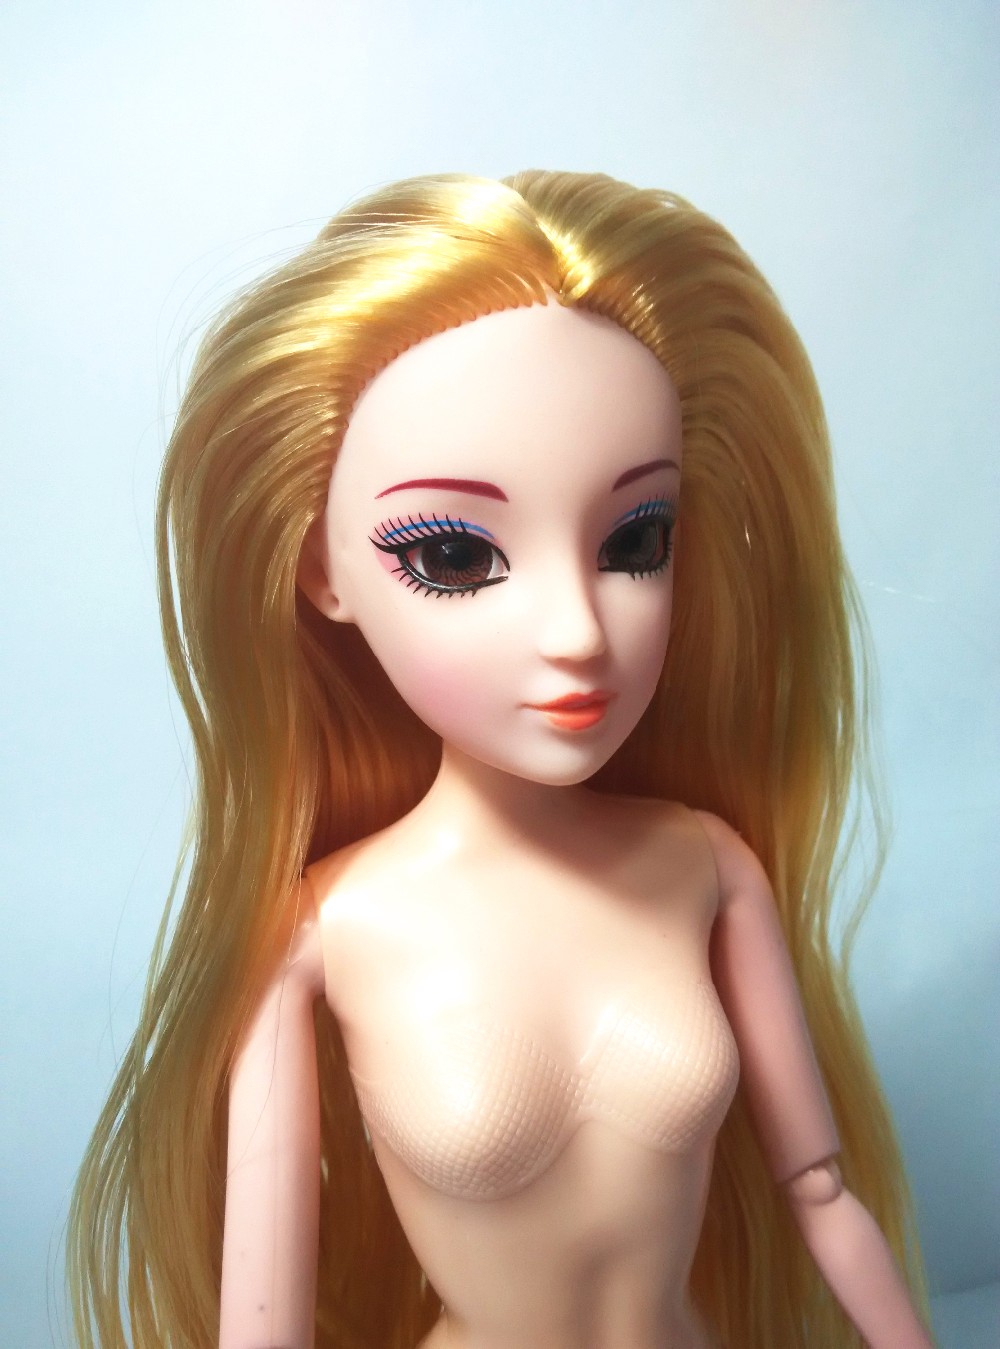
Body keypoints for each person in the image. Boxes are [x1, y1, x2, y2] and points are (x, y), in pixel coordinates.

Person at [68, 171, 933, 1348]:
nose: (577, 630)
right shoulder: (320, 930)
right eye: (455, 556)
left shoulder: (707, 866)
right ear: (323, 572)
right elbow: (261, 1322)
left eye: (634, 539)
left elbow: (819, 1192)